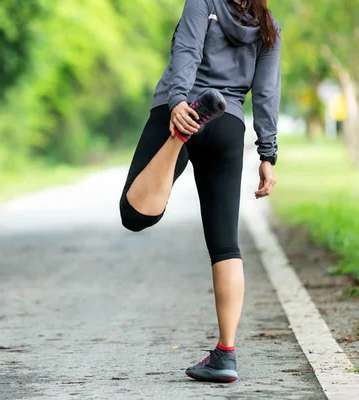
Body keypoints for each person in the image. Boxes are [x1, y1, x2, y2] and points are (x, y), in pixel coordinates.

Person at [119, 0, 281, 383]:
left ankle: (178, 137)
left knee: (134, 215)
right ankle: (225, 354)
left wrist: (178, 103)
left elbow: (186, 52)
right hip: (228, 123)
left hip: (186, 109)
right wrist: (268, 153)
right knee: (225, 245)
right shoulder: (268, 24)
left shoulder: (203, 2)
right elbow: (266, 93)